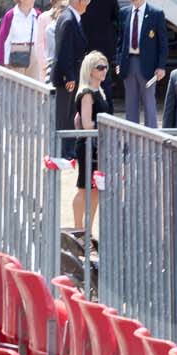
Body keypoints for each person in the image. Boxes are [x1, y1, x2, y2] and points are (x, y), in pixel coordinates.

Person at [117, 0, 169, 125]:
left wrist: (161, 66)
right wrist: (119, 62)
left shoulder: (156, 14)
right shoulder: (124, 13)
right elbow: (120, 41)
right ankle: (131, 138)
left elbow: (163, 43)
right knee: (130, 103)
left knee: (149, 103)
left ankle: (151, 137)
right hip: (128, 62)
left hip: (148, 64)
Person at [71, 52, 111, 233]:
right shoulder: (87, 93)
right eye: (99, 67)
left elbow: (77, 119)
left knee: (95, 189)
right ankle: (79, 231)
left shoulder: (99, 91)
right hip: (89, 145)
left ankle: (87, 232)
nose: (104, 71)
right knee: (84, 187)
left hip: (97, 145)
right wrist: (108, 125)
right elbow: (86, 123)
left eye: (106, 67)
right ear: (90, 70)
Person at [51, 0, 90, 134]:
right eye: (86, 1)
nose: (88, 4)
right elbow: (64, 51)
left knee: (70, 114)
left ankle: (68, 149)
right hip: (68, 77)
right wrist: (69, 76)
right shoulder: (68, 20)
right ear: (80, 2)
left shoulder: (70, 17)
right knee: (65, 116)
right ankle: (64, 150)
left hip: (73, 74)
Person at [0, 0, 43, 77]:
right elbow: (3, 39)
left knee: (35, 86)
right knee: (17, 86)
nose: (34, 0)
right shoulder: (11, 15)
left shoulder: (37, 15)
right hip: (16, 52)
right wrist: (3, 61)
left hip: (34, 51)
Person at [79, 0, 121, 71]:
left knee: (86, 79)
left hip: (85, 45)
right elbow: (117, 18)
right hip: (106, 45)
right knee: (105, 79)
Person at [37, 0, 68, 81]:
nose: (61, 2)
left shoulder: (68, 17)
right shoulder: (43, 17)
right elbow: (39, 43)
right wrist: (44, 63)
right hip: (48, 62)